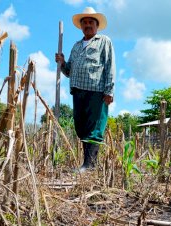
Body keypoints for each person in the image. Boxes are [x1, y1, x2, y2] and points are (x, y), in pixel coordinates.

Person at [55, 7, 115, 172]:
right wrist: (62, 62)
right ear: (81, 26)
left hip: (96, 90)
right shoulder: (76, 46)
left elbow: (110, 66)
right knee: (81, 126)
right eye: (85, 23)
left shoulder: (103, 41)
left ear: (96, 25)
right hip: (77, 90)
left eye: (91, 22)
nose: (87, 25)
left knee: (94, 126)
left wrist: (109, 90)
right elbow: (69, 71)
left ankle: (90, 165)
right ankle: (87, 163)